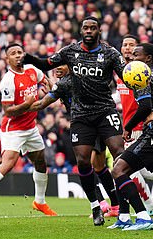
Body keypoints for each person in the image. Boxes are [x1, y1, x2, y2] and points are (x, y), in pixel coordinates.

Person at [23, 16, 125, 226]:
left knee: (118, 154)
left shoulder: (110, 53)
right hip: (81, 116)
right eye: (85, 27)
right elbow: (45, 64)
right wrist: (29, 59)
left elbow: (127, 75)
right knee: (84, 162)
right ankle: (96, 205)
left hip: (105, 111)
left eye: (93, 28)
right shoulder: (70, 53)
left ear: (99, 31)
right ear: (81, 31)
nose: (88, 30)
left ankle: (124, 205)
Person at [0, 43, 57, 218]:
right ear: (7, 59)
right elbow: (7, 111)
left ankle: (40, 202)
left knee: (40, 162)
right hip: (14, 128)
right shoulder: (8, 81)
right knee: (8, 163)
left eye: (19, 52)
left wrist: (50, 87)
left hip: (31, 127)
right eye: (13, 54)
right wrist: (27, 103)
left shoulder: (32, 69)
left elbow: (45, 80)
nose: (17, 55)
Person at [31, 64, 119, 216]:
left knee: (87, 165)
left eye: (61, 65)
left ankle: (102, 204)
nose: (57, 69)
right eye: (55, 67)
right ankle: (114, 206)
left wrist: (22, 107)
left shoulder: (72, 81)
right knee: (98, 166)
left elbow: (52, 97)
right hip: (90, 123)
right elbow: (64, 94)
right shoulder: (68, 82)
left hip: (89, 124)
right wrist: (53, 88)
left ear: (71, 65)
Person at [111, 43, 153, 231]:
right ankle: (124, 216)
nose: (132, 58)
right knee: (119, 166)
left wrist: (129, 126)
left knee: (119, 170)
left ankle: (143, 217)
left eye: (136, 54)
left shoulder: (142, 74)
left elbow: (145, 106)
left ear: (148, 58)